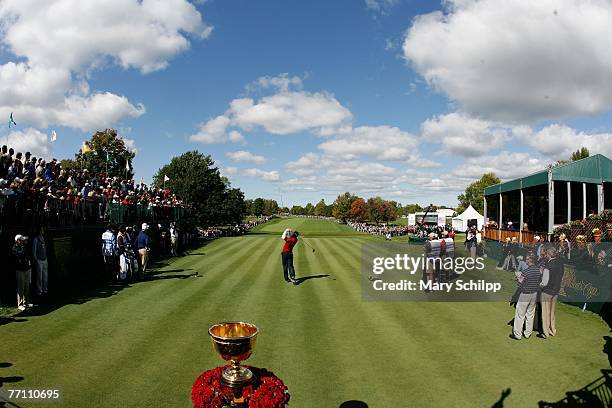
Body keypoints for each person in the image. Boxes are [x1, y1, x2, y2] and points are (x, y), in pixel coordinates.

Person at [511, 255, 548, 340]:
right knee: (530, 314)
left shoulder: (526, 271)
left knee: (520, 314)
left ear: (530, 261)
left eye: (527, 259)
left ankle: (517, 334)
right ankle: (527, 333)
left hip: (525, 294)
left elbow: (519, 284)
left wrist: (517, 278)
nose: (526, 260)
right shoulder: (538, 271)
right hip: (534, 294)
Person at [540, 247, 564, 338]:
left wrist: (539, 285)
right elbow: (561, 277)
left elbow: (544, 282)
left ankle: (546, 333)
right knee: (552, 312)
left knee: (545, 313)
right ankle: (552, 330)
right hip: (556, 291)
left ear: (549, 254)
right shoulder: (561, 263)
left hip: (547, 291)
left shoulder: (548, 265)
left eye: (546, 254)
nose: (545, 255)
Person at [12, 235, 32, 311]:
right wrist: (23, 247)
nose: (23, 241)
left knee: (27, 286)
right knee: (21, 287)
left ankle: (26, 302)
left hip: (26, 269)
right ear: (17, 240)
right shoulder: (15, 248)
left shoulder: (23, 247)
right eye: (21, 240)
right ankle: (20, 304)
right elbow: (21, 255)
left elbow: (26, 256)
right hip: (20, 270)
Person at [32, 226, 48, 296]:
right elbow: (34, 251)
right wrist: (36, 260)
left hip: (45, 260)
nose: (43, 230)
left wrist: (46, 258)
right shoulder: (36, 239)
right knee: (39, 277)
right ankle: (39, 291)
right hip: (39, 261)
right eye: (42, 229)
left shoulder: (43, 238)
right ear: (39, 231)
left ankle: (45, 289)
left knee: (45, 276)